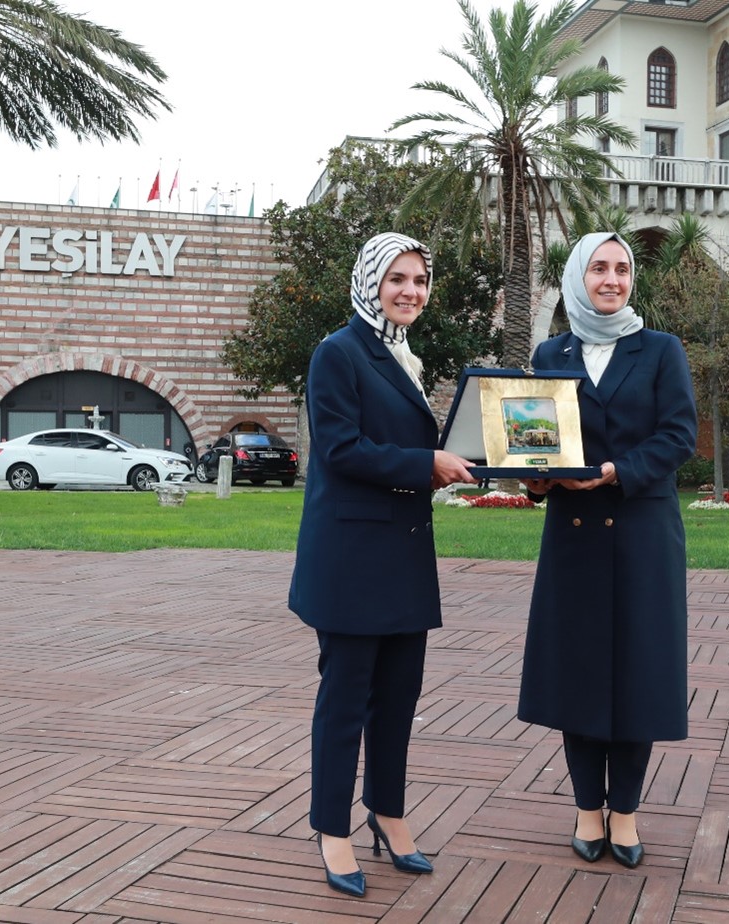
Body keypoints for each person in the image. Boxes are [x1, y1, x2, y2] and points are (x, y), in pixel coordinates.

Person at [289, 231, 476, 898]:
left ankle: (388, 813)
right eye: (397, 278)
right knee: (346, 702)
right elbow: (340, 449)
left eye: (420, 281)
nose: (410, 291)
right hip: (351, 561)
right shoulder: (338, 353)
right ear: (370, 282)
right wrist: (427, 464)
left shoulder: (404, 357)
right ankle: (331, 829)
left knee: (398, 698)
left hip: (402, 556)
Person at [518, 231, 697, 869]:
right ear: (579, 276)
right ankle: (586, 810)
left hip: (642, 534)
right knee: (579, 672)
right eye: (599, 268)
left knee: (637, 674)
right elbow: (535, 439)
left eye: (622, 269)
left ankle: (624, 813)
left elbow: (679, 435)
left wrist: (619, 470)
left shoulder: (661, 349)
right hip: (573, 537)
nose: (612, 279)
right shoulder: (551, 352)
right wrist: (535, 479)